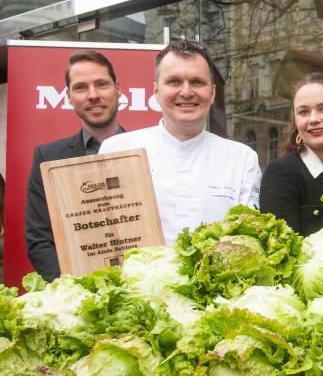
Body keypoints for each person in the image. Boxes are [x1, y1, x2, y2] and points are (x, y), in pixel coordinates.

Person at [99, 40, 261, 245]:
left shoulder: (241, 158)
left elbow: (249, 237)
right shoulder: (117, 151)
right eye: (174, 81)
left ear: (212, 93)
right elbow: (100, 234)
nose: (186, 92)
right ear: (156, 92)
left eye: (196, 82)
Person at [25, 50, 126, 281]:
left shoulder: (147, 152)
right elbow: (39, 238)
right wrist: (75, 289)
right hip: (78, 297)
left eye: (101, 84)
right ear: (69, 96)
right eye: (81, 88)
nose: (93, 95)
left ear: (117, 88)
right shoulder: (48, 158)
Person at [260, 72, 323, 235]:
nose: (313, 119)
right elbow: (282, 250)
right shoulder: (281, 174)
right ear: (295, 119)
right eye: (303, 112)